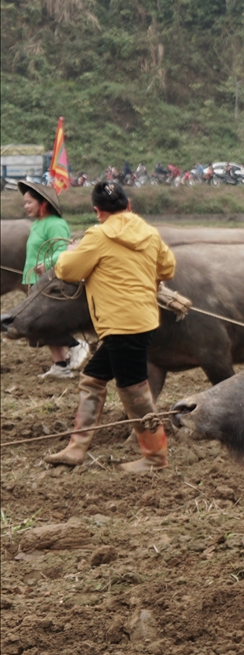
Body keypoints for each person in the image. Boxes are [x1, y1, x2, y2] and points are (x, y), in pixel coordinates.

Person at [46, 182, 177, 472]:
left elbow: (68, 270)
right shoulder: (149, 232)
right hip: (143, 319)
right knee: (92, 379)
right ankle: (76, 448)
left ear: (97, 211)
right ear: (128, 205)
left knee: (134, 391)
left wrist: (71, 251)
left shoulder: (98, 235)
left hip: (121, 325)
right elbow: (167, 268)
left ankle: (155, 459)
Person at [18, 182, 88, 379]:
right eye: (25, 203)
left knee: (42, 323)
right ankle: (60, 365)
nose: (26, 207)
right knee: (41, 324)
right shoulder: (38, 224)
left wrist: (47, 263)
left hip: (49, 282)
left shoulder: (56, 224)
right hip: (35, 279)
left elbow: (63, 249)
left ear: (43, 204)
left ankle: (76, 344)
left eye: (29, 203)